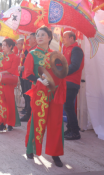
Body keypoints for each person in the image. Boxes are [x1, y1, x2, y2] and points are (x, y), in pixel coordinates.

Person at [23, 26, 66, 167]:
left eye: (42, 34)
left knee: (56, 124)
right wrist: (38, 79)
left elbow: (61, 72)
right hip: (40, 93)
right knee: (37, 121)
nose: (39, 37)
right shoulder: (32, 54)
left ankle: (55, 154)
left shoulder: (56, 54)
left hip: (55, 93)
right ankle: (31, 149)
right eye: (37, 35)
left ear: (49, 37)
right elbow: (27, 73)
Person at [62, 31, 84, 140]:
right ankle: (70, 129)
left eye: (64, 37)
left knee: (68, 107)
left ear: (71, 38)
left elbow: (75, 65)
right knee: (67, 106)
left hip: (72, 82)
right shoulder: (66, 49)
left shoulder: (76, 49)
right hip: (66, 81)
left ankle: (75, 132)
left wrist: (62, 72)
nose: (63, 39)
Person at [19, 33, 37, 122]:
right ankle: (28, 112)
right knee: (27, 96)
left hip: (31, 78)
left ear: (34, 40)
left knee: (30, 98)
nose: (28, 41)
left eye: (30, 39)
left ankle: (29, 114)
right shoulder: (30, 50)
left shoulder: (35, 51)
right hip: (26, 76)